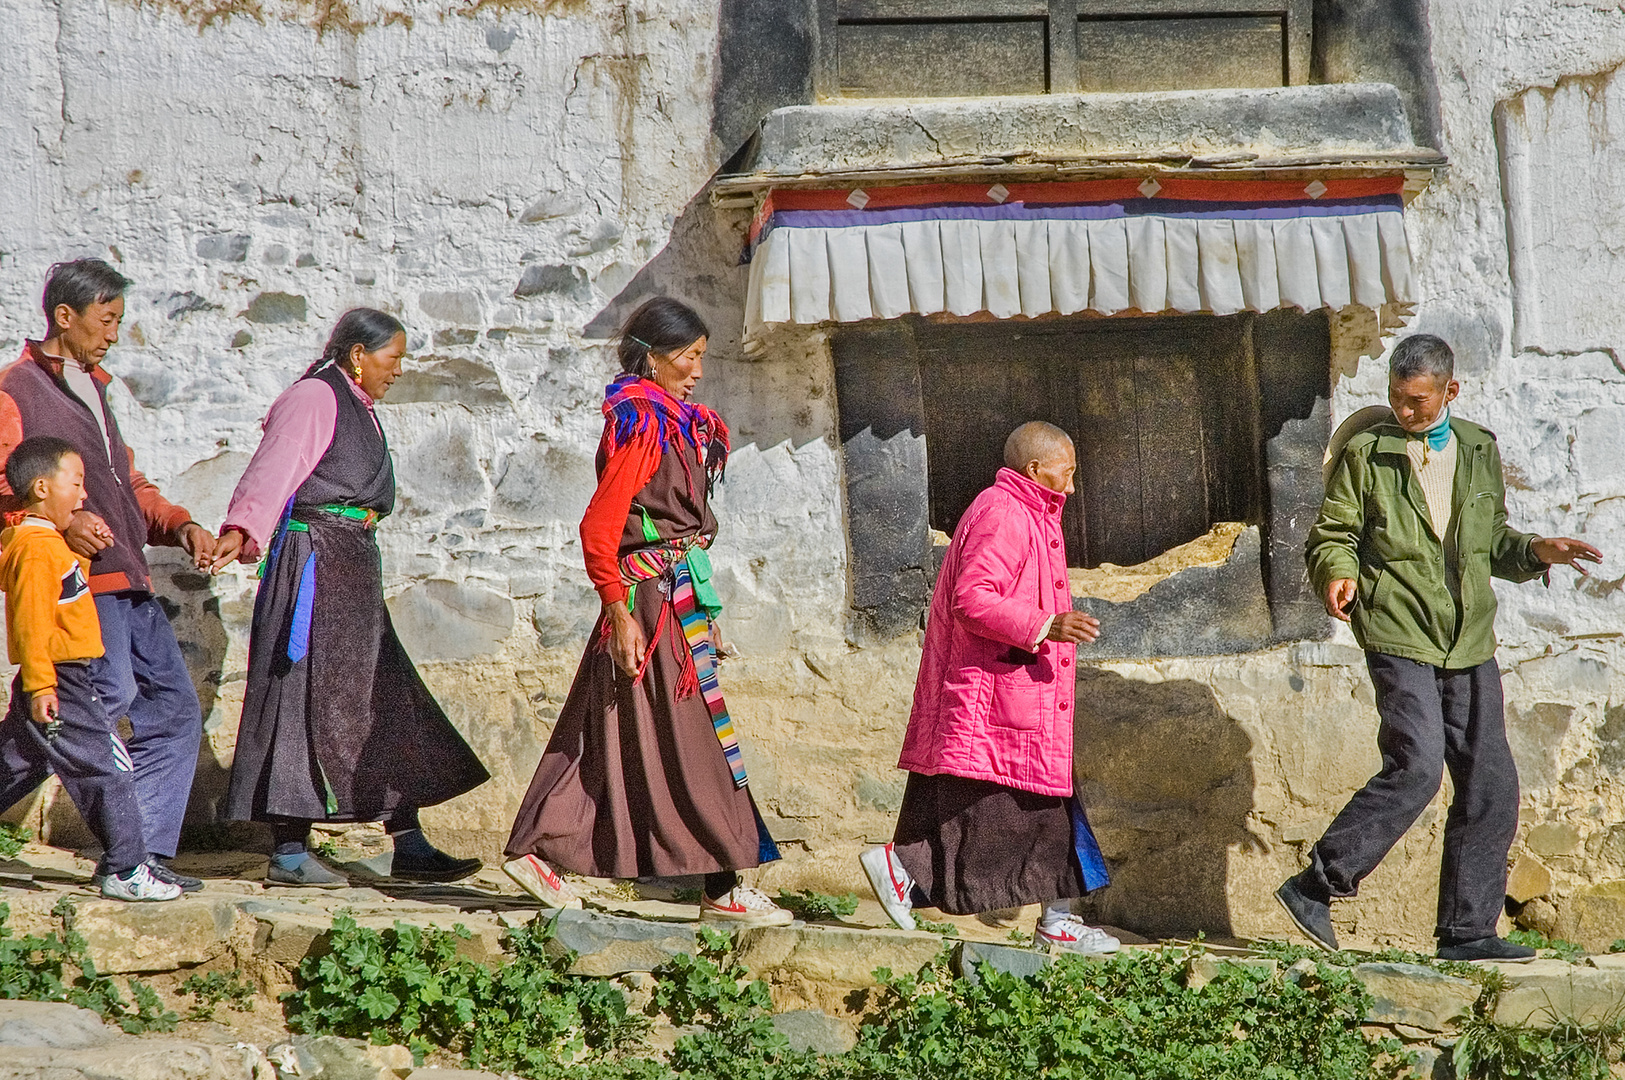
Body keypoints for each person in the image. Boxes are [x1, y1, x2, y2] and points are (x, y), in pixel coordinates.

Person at [1277, 334, 1604, 962]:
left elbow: (1490, 543)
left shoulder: (1479, 449)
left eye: (1417, 401)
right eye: (1397, 399)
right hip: (1399, 630)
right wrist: (1336, 572)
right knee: (1419, 766)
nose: (1404, 412)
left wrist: (1537, 551)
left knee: (1491, 784)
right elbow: (1333, 534)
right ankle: (1317, 883)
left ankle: (1467, 931)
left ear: (1450, 391)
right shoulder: (1367, 454)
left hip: (1468, 638)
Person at [502, 296, 790, 927]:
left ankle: (540, 854)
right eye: (688, 358)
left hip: (671, 595)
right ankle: (723, 883)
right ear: (653, 357)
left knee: (609, 732)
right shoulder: (645, 426)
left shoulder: (673, 419)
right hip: (649, 603)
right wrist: (619, 611)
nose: (697, 371)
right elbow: (600, 526)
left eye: (701, 358)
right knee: (695, 740)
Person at [208, 309, 490, 886]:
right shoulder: (315, 396)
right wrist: (243, 528)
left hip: (353, 565)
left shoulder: (358, 406)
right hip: (313, 566)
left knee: (382, 695)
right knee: (298, 698)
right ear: (358, 354)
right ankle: (288, 854)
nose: (400, 371)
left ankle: (406, 841)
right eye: (394, 358)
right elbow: (274, 469)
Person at [0, 259, 216, 894]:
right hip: (83, 587)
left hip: (132, 578)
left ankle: (142, 854)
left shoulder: (95, 386)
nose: (114, 334)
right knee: (79, 716)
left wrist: (177, 524)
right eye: (106, 320)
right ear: (63, 317)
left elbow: (127, 483)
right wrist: (62, 528)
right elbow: (4, 489)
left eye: (119, 320)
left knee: (173, 711)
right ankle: (132, 859)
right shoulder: (16, 391)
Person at [859, 422, 1116, 954]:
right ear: (1035, 469)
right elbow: (973, 598)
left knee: (1039, 812)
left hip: (1018, 699)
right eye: (1066, 473)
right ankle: (904, 868)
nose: (1070, 488)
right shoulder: (1004, 514)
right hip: (998, 700)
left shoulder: (1025, 512)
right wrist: (1047, 624)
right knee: (1017, 819)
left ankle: (1054, 917)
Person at [0, 438, 180, 901]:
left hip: (62, 675)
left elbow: (66, 599)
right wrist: (41, 684)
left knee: (13, 758)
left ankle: (127, 865)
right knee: (108, 768)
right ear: (41, 487)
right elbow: (32, 623)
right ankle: (126, 870)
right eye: (76, 484)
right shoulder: (35, 549)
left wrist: (81, 553)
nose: (84, 496)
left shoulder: (49, 545)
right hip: (61, 679)